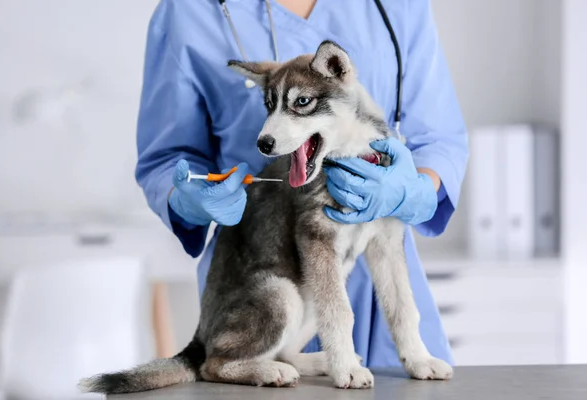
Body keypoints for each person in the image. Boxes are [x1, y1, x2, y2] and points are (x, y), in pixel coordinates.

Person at [135, 0, 468, 368]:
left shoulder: (395, 6)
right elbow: (166, 157)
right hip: (261, 263)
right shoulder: (187, 12)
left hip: (382, 271)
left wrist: (413, 191)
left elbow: (439, 138)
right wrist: (188, 198)